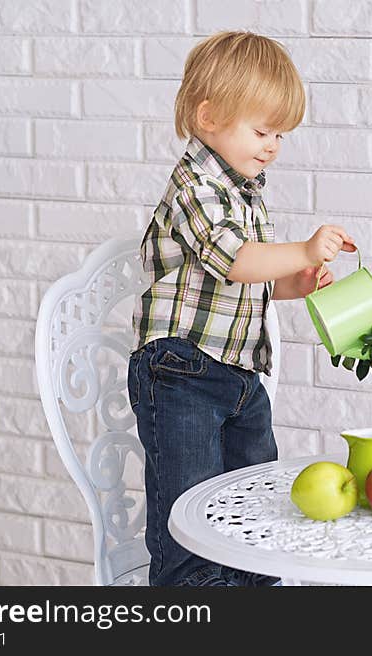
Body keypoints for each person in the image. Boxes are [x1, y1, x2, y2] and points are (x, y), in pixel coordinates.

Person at [127, 31, 355, 586]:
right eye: (261, 130)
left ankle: (256, 585)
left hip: (239, 376)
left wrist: (293, 281)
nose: (273, 144)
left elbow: (243, 277)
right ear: (209, 117)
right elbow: (231, 258)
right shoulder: (194, 186)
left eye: (279, 134)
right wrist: (301, 248)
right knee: (189, 514)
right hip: (181, 370)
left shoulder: (245, 190)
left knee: (253, 509)